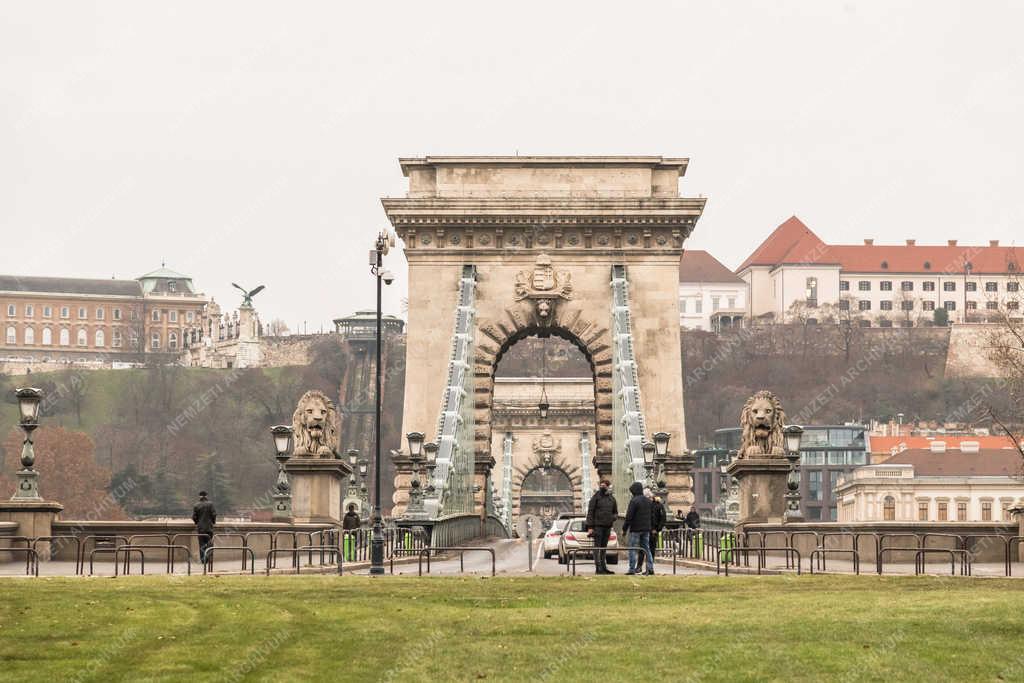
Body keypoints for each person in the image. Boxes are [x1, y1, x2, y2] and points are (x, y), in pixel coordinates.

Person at [585, 479, 618, 574]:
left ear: (608, 486)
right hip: (598, 526)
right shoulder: (595, 498)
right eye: (601, 485)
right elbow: (590, 512)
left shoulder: (612, 499)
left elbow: (615, 512)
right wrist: (590, 527)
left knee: (604, 548)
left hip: (607, 526)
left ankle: (604, 567)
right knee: (597, 548)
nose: (602, 487)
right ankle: (598, 567)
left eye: (604, 485)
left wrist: (612, 518)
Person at [622, 481, 654, 575]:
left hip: (635, 528)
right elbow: (652, 516)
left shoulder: (634, 501)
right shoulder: (648, 501)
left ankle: (632, 569)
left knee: (632, 548)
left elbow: (629, 517)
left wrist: (624, 529)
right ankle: (650, 568)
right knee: (646, 548)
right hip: (646, 528)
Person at [192, 490, 216, 564]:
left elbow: (194, 517)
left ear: (199, 496)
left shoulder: (196, 505)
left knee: (202, 544)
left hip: (200, 528)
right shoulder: (210, 504)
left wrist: (197, 522)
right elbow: (214, 514)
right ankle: (209, 559)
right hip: (209, 528)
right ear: (206, 496)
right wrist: (213, 522)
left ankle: (203, 560)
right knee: (209, 544)